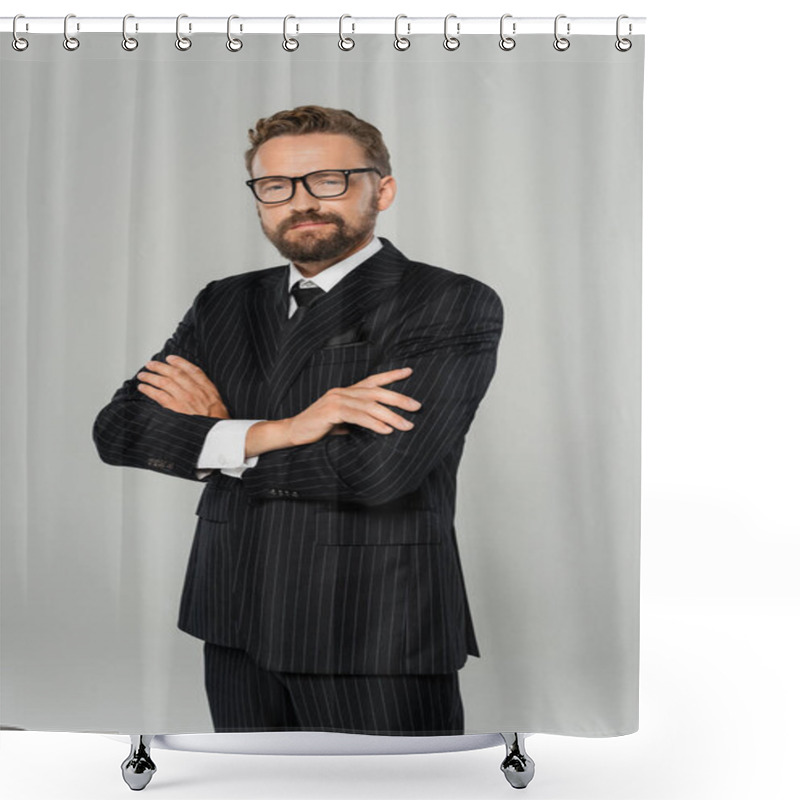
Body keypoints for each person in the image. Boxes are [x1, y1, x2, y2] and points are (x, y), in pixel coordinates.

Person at [93, 105, 503, 736]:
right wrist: (280, 430)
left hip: (371, 623)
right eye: (277, 186)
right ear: (259, 198)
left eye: (329, 180)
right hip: (232, 612)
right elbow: (119, 429)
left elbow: (377, 471)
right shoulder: (225, 300)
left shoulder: (447, 301)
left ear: (382, 189)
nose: (302, 202)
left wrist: (221, 436)